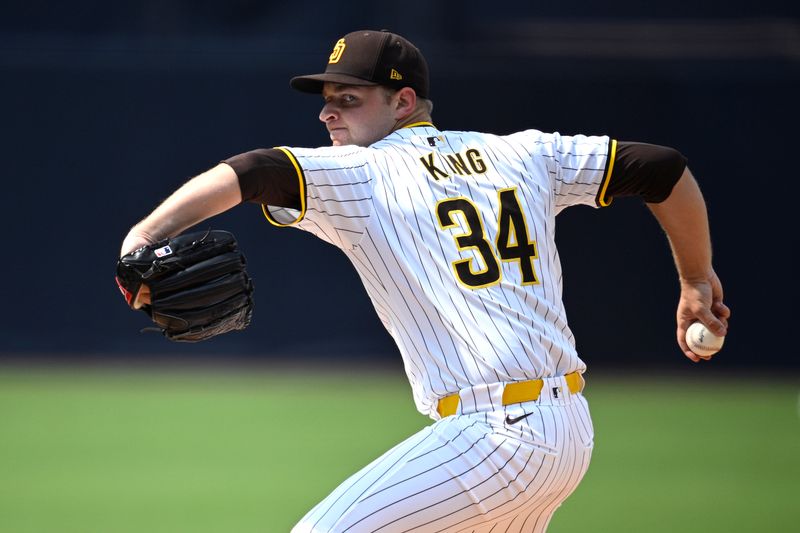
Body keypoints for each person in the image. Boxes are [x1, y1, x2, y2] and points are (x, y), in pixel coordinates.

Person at [120, 29, 730, 532]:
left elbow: (254, 171)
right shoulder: (525, 153)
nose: (329, 111)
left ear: (403, 102)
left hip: (497, 436)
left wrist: (144, 237)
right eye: (326, 98)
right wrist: (696, 279)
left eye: (350, 98)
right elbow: (662, 168)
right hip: (564, 428)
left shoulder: (363, 171)